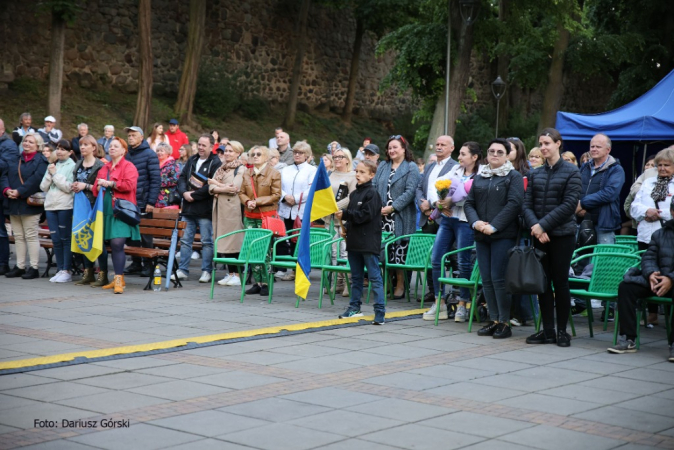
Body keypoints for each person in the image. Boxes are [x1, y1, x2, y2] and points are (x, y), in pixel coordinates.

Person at [522, 128, 582, 347]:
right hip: (540, 234)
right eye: (541, 143)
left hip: (562, 235)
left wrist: (542, 225)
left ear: (558, 144)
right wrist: (536, 227)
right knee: (543, 284)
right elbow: (526, 204)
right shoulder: (535, 173)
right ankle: (547, 331)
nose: (543, 147)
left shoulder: (571, 171)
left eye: (547, 143)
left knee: (560, 282)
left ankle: (562, 331)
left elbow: (569, 205)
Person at [465, 138, 524, 339]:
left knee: (499, 279)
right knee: (487, 279)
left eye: (500, 152)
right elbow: (469, 203)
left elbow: (514, 203)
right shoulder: (480, 176)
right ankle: (494, 319)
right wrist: (477, 223)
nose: (495, 155)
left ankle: (505, 322)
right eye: (492, 151)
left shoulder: (513, 176)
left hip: (503, 235)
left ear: (507, 155)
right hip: (481, 234)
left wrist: (494, 225)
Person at [608, 200, 674, 362]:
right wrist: (651, 273)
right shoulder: (660, 233)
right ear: (672, 211)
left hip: (671, 281)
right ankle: (628, 338)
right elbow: (648, 257)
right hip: (656, 279)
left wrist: (670, 279)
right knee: (626, 287)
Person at [424, 142, 482, 321]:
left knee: (464, 261)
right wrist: (439, 204)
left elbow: (475, 197)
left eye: (464, 154)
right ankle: (439, 302)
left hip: (465, 220)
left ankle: (463, 304)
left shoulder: (482, 173)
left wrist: (452, 201)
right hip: (448, 219)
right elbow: (435, 185)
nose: (460, 157)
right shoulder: (456, 170)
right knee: (436, 258)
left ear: (474, 157)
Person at [336, 160, 386, 324]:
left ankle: (380, 312)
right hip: (354, 241)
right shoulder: (354, 194)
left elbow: (365, 215)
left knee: (374, 277)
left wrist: (346, 215)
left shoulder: (372, 193)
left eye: (362, 172)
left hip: (368, 242)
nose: (358, 174)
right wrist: (345, 223)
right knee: (356, 278)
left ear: (372, 175)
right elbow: (352, 215)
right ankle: (354, 307)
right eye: (357, 171)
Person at [629, 147, 674, 326]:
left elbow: (671, 211)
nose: (662, 168)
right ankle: (652, 313)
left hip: (667, 236)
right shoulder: (648, 183)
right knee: (649, 273)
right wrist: (646, 211)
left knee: (667, 272)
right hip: (646, 235)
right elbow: (634, 207)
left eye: (667, 165)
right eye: (660, 165)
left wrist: (659, 213)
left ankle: (669, 317)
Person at [373, 135, 421, 299]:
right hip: (381, 216)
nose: (392, 150)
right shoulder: (383, 166)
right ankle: (387, 281)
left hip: (400, 215)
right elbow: (373, 186)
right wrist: (376, 205)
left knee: (398, 251)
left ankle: (400, 283)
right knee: (383, 250)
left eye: (395, 147)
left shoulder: (411, 167)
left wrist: (393, 207)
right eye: (389, 148)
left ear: (403, 149)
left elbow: (410, 192)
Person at [92, 138, 140, 294]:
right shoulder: (104, 167)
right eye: (110, 146)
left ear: (123, 150)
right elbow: (95, 188)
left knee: (117, 244)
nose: (111, 148)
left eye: (115, 146)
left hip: (121, 211)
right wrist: (98, 186)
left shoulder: (129, 166)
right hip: (105, 210)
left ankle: (118, 279)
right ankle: (115, 277)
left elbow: (129, 185)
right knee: (109, 245)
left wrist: (111, 183)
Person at [172, 134, 221, 283]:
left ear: (211, 147)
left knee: (207, 241)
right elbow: (181, 178)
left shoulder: (216, 162)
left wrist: (194, 195)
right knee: (186, 240)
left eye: (203, 145)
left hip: (204, 209)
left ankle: (207, 271)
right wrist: (184, 193)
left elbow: (212, 185)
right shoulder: (192, 159)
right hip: (188, 207)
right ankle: (182, 270)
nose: (200, 147)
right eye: (199, 144)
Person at [1, 131, 49, 279]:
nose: (27, 144)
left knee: (30, 235)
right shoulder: (15, 159)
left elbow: (36, 180)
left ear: (38, 145)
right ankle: (20, 266)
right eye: (25, 141)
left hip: (29, 204)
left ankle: (33, 267)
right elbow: (4, 176)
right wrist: (7, 190)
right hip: (13, 202)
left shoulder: (41, 161)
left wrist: (19, 191)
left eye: (31, 142)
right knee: (19, 236)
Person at [416, 135, 457, 304]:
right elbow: (420, 187)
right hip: (427, 218)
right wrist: (422, 204)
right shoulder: (430, 166)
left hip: (445, 218)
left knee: (451, 257)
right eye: (437, 144)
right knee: (430, 256)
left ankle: (454, 292)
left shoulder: (455, 167)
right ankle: (433, 291)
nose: (439, 147)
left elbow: (453, 193)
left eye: (443, 145)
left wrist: (434, 207)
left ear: (451, 148)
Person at [239, 146, 282, 296]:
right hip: (250, 215)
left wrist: (256, 201)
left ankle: (266, 283)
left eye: (258, 154)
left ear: (266, 157)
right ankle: (257, 282)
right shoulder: (246, 172)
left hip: (266, 216)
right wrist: (247, 201)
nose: (255, 156)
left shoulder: (274, 173)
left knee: (266, 251)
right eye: (252, 154)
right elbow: (241, 192)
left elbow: (276, 195)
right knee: (252, 249)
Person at [69, 135, 108, 287]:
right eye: (81, 145)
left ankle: (103, 274)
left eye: (86, 145)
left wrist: (85, 186)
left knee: (98, 240)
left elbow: (101, 188)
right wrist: (74, 186)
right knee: (83, 238)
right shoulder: (78, 163)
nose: (82, 147)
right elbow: (76, 181)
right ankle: (88, 272)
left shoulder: (100, 166)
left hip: (94, 206)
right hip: (80, 206)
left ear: (94, 147)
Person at [122, 126, 161, 277]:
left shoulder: (150, 154)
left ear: (141, 138)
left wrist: (151, 201)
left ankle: (148, 265)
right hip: (128, 201)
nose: (130, 138)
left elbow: (155, 180)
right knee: (132, 235)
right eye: (129, 136)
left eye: (133, 135)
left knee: (145, 235)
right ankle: (136, 263)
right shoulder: (126, 154)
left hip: (143, 201)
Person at [276, 141, 317, 281]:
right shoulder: (286, 170)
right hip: (286, 209)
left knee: (299, 240)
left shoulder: (312, 170)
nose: (297, 155)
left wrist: (295, 198)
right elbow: (277, 186)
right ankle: (289, 268)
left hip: (302, 210)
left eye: (300, 153)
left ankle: (300, 269)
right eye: (295, 152)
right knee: (287, 238)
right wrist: (285, 196)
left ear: (307, 155)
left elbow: (311, 189)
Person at [576, 133, 625, 245]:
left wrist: (583, 204)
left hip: (604, 225)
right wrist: (577, 206)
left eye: (598, 147)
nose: (594, 149)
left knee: (603, 261)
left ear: (608, 150)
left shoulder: (616, 170)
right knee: (581, 260)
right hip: (582, 221)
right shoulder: (584, 167)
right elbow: (576, 188)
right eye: (592, 146)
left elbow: (609, 193)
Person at [40, 139, 76, 282]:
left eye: (63, 149)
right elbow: (43, 187)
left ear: (70, 152)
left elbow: (69, 187)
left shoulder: (72, 166)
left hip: (64, 206)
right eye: (58, 148)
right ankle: (60, 269)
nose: (59, 151)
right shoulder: (52, 165)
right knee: (55, 239)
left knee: (65, 238)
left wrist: (55, 175)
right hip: (50, 206)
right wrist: (50, 174)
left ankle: (66, 270)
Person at [209, 141, 244, 287]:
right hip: (220, 208)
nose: (227, 153)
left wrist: (217, 185)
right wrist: (218, 186)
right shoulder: (221, 168)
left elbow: (234, 188)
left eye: (231, 151)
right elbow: (209, 187)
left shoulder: (241, 169)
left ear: (238, 153)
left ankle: (237, 274)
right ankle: (229, 273)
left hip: (232, 209)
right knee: (223, 241)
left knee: (233, 242)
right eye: (226, 151)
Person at [325, 148, 357, 297]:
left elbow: (352, 196)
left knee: (344, 252)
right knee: (333, 252)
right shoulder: (329, 174)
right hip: (330, 219)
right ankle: (336, 283)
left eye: (340, 156)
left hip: (344, 218)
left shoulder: (352, 176)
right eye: (335, 156)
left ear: (347, 159)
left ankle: (347, 283)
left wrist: (336, 207)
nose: (337, 159)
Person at [0, 118, 20, 275]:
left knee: (1, 232)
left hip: (2, 195)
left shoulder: (9, 145)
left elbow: (6, 167)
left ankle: (3, 263)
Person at [154, 142, 180, 209]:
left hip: (168, 197)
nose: (159, 153)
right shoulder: (154, 163)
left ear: (168, 153)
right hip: (155, 197)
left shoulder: (173, 164)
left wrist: (160, 182)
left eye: (162, 151)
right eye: (158, 151)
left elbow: (175, 179)